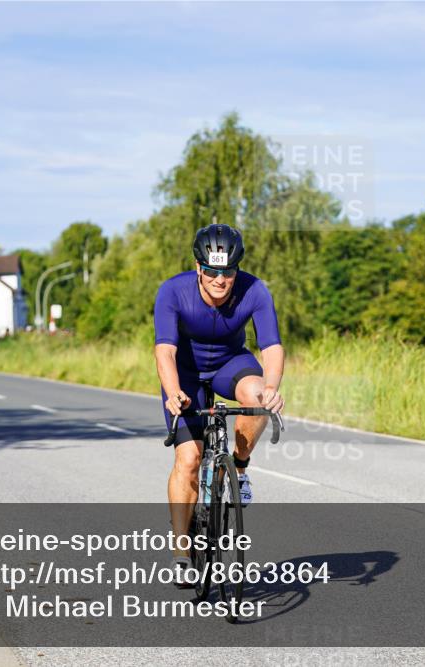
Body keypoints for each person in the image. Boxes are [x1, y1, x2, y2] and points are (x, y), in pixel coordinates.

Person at [154, 223, 285, 584]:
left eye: (227, 271)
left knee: (256, 396)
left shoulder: (255, 290)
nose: (219, 279)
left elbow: (271, 346)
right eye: (211, 271)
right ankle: (182, 551)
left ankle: (239, 469)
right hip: (186, 373)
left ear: (236, 269)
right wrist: (173, 391)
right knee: (189, 459)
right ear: (198, 268)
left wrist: (271, 387)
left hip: (231, 363)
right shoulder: (173, 291)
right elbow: (165, 350)